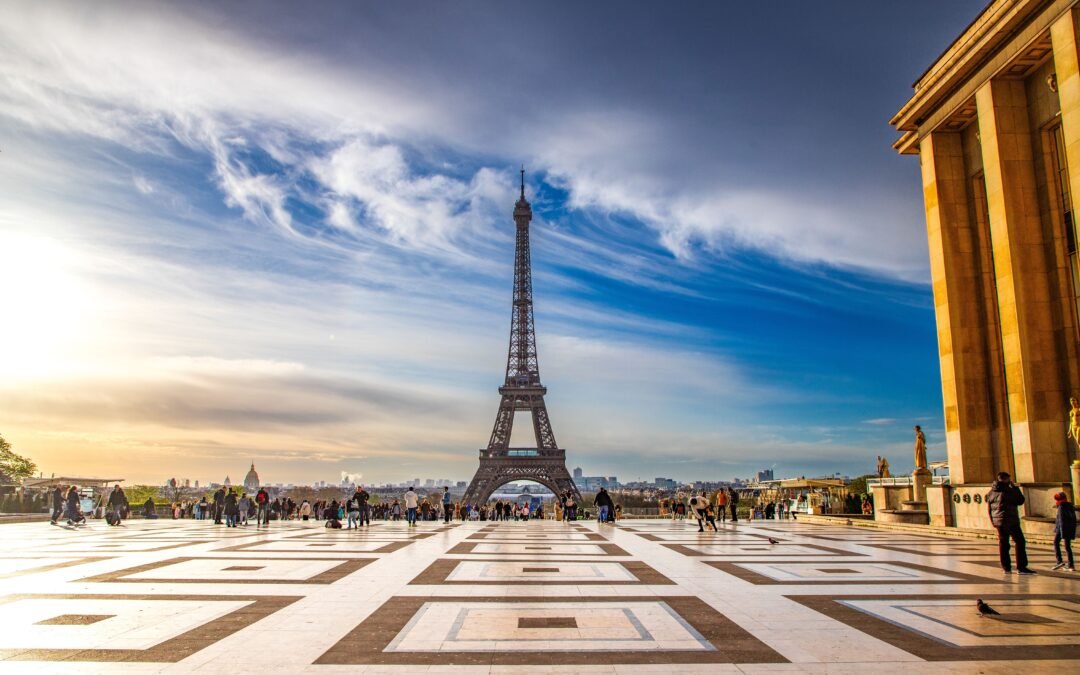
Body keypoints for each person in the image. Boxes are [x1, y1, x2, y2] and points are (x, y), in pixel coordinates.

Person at [985, 472, 1034, 575]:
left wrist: (993, 521)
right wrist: (1015, 488)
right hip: (1010, 520)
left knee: (1003, 543)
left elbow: (989, 508)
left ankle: (1006, 568)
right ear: (1007, 479)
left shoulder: (991, 492)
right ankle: (1021, 567)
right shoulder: (1008, 490)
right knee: (1020, 541)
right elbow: (1020, 500)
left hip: (998, 521)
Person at [1052, 491, 1076, 571]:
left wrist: (1061, 532)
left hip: (1062, 529)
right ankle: (1071, 565)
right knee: (1067, 547)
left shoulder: (1061, 506)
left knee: (1056, 542)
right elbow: (1074, 519)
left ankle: (1059, 561)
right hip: (1069, 528)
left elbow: (1061, 520)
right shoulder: (1070, 506)